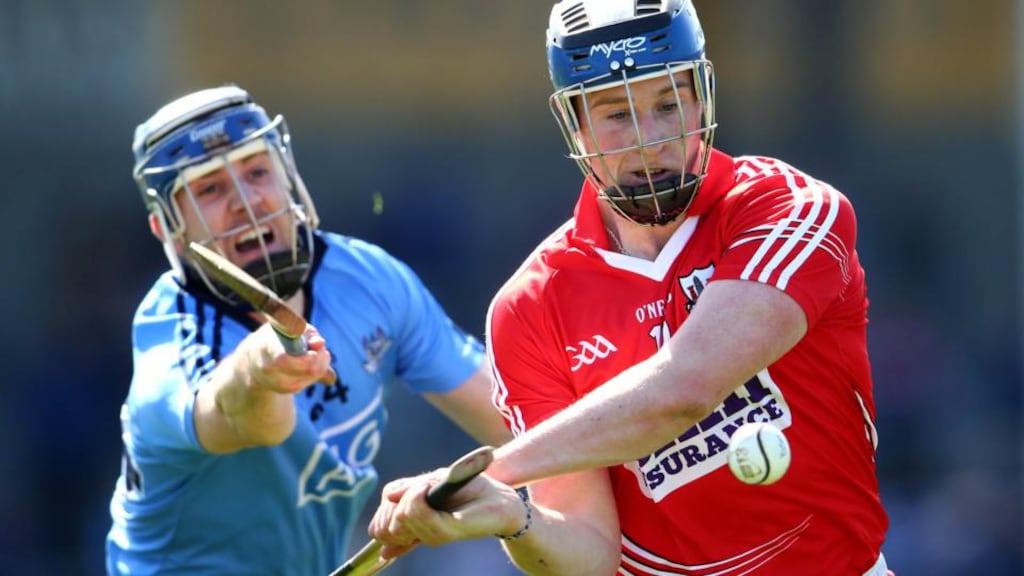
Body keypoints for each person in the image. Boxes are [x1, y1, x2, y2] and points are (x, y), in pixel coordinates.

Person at [367, 1, 891, 574]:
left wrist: (487, 473)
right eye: (617, 114)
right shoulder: (530, 308)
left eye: (669, 103)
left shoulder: (791, 210)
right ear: (576, 125)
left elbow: (685, 389)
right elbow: (588, 556)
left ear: (701, 97)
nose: (649, 139)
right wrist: (513, 518)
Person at [105, 85, 510, 575]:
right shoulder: (172, 337)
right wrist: (260, 367)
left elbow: (510, 413)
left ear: (287, 173)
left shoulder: (370, 279)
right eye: (208, 188)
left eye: (257, 172)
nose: (246, 202)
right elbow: (249, 422)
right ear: (168, 228)